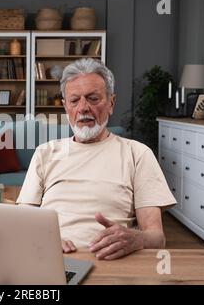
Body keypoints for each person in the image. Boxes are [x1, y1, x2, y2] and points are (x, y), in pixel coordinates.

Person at [17, 58, 176, 260]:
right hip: (49, 257)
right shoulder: (45, 153)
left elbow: (157, 237)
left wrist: (137, 239)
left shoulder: (137, 154)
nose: (83, 108)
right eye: (74, 101)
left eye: (93, 98)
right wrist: (43, 239)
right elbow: (22, 224)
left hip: (111, 261)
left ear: (111, 103)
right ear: (66, 108)